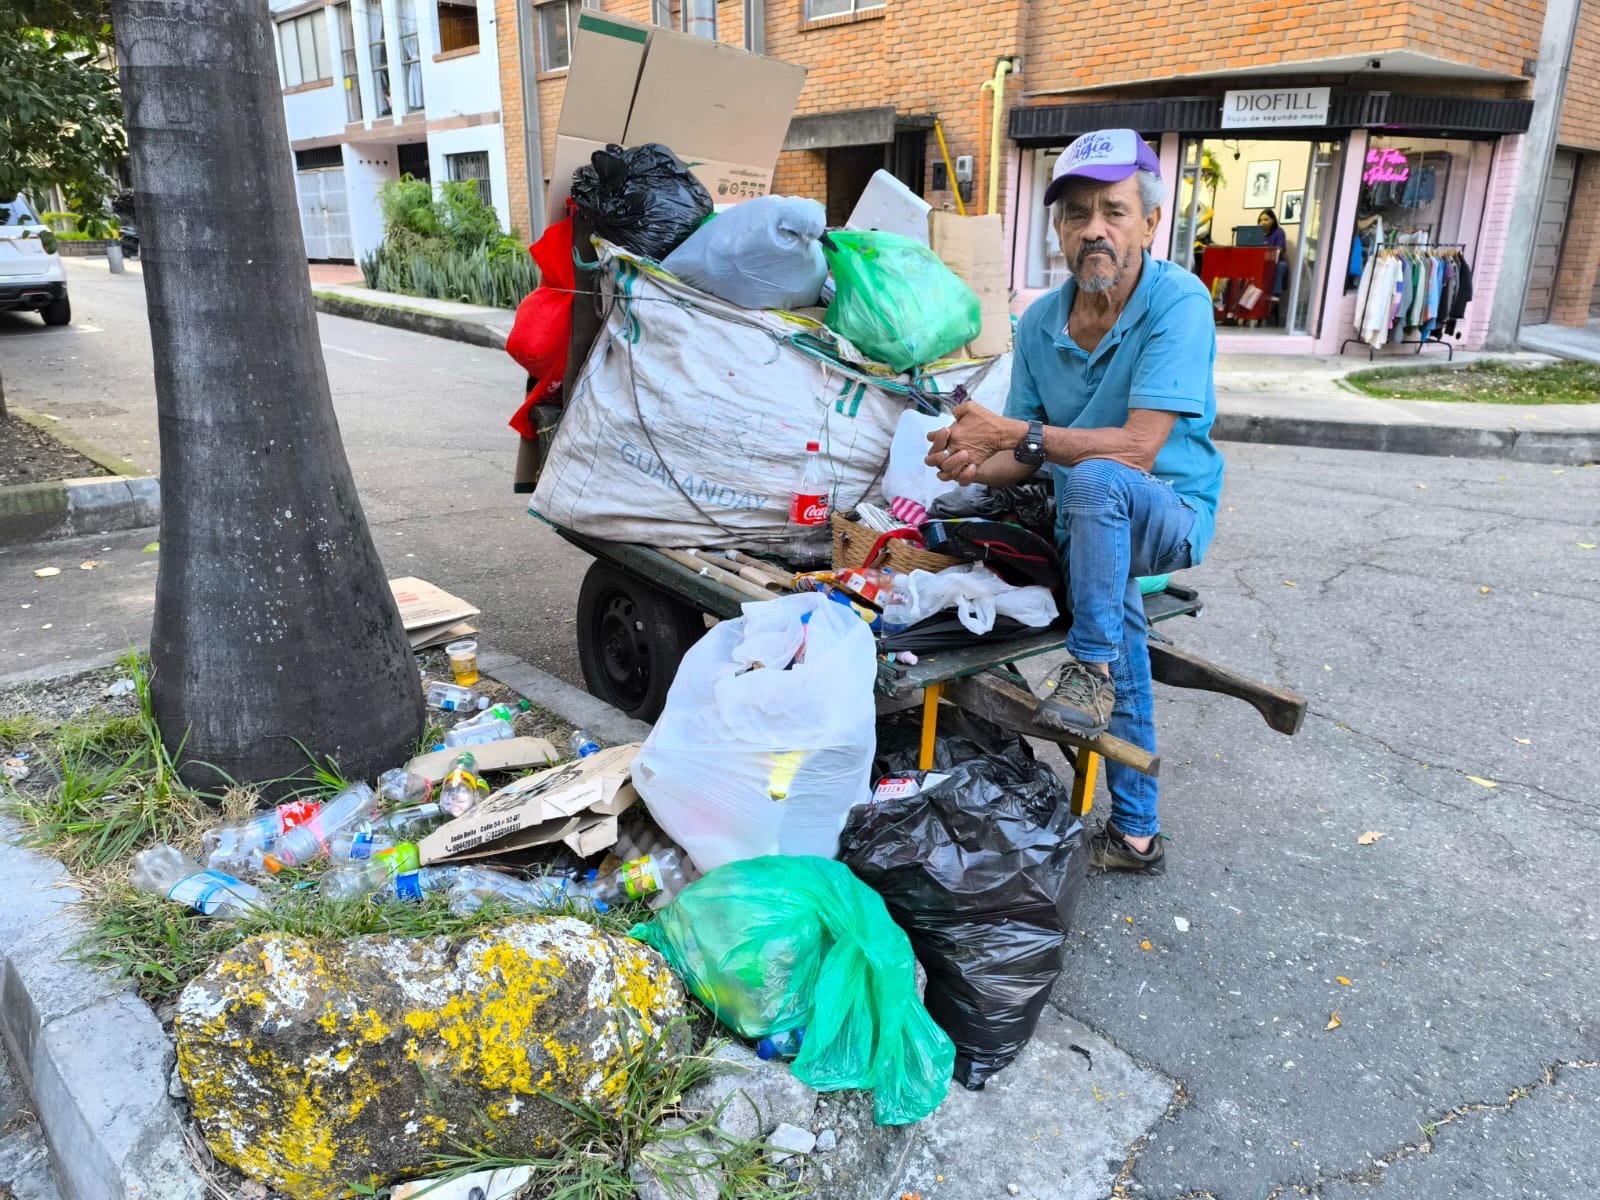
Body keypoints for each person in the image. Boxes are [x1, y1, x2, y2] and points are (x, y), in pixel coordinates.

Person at [924, 128, 1224, 875]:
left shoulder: (1177, 302)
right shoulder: (1042, 321)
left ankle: (1087, 670)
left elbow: (1137, 450)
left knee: (1095, 479)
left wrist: (1017, 433)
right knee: (1106, 596)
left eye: (1114, 211)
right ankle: (1136, 835)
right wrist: (969, 455)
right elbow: (1024, 454)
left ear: (1150, 223)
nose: (1095, 228)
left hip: (1166, 518)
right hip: (1087, 528)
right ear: (1058, 230)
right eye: (1077, 213)